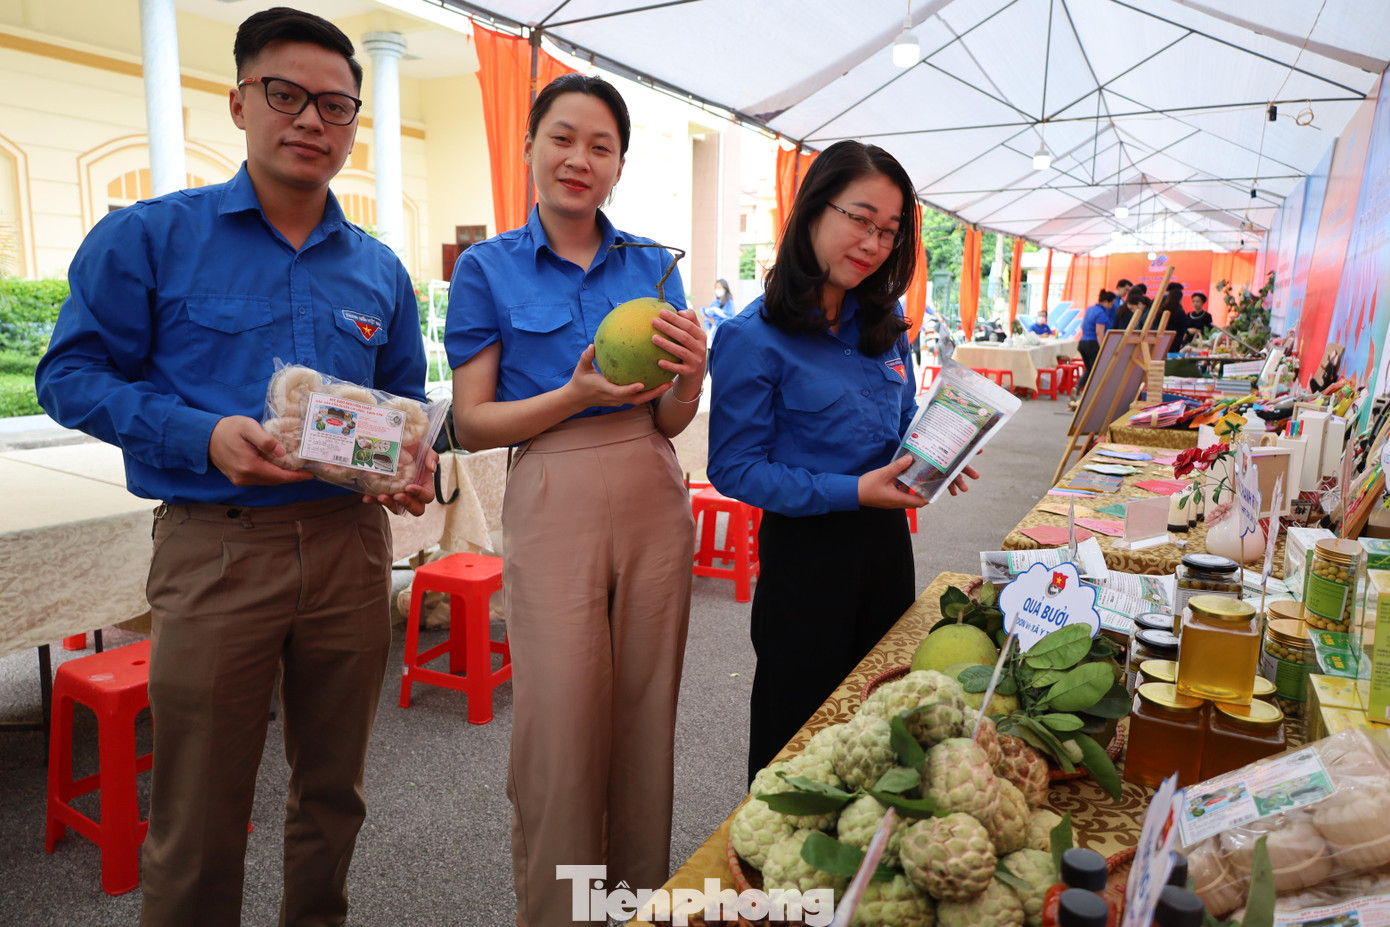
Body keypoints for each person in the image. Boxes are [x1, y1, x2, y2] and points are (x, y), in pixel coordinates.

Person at [34, 9, 433, 924]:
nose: (311, 122)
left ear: (353, 123)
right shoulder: (149, 236)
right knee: (199, 814)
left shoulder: (378, 269)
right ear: (239, 102)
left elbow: (404, 406)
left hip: (349, 551)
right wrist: (197, 434)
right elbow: (69, 376)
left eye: (336, 106)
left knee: (334, 798)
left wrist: (409, 466)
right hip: (216, 551)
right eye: (285, 96)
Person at [444, 73, 707, 927]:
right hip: (551, 479)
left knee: (644, 711)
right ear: (528, 147)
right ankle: (558, 914)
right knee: (560, 724)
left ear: (620, 164)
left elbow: (668, 415)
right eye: (562, 138)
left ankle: (633, 906)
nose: (578, 159)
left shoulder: (651, 265)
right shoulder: (486, 268)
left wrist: (691, 377)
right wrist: (574, 393)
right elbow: (475, 422)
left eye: (600, 146)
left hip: (652, 483)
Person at [706, 140, 980, 783]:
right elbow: (735, 467)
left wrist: (936, 449)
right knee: (797, 736)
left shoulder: (885, 325)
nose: (874, 243)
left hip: (886, 544)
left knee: (881, 717)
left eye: (889, 231)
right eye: (860, 219)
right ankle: (773, 876)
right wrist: (853, 490)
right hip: (806, 557)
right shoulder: (753, 337)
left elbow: (898, 423)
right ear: (811, 213)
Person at [1073, 288, 1116, 396]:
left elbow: (1082, 325)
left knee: (1090, 369)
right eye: (1111, 304)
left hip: (1082, 343)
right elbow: (1099, 332)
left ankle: (1078, 386)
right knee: (1097, 370)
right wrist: (1102, 348)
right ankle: (1093, 394)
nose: (1111, 307)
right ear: (1106, 302)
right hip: (1093, 344)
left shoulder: (1090, 309)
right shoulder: (1101, 313)